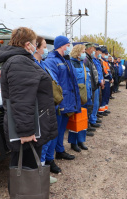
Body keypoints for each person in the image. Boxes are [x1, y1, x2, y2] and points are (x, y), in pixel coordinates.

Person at [0, 27, 58, 191]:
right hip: (28, 130)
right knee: (25, 171)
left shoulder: (18, 61)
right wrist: (25, 132)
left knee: (23, 169)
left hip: (30, 126)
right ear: (27, 44)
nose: (37, 47)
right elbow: (22, 100)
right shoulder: (19, 62)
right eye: (35, 43)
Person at [44, 35, 81, 163]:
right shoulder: (51, 60)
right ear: (61, 45)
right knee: (55, 132)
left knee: (61, 130)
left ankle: (59, 151)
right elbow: (55, 83)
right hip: (60, 102)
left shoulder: (65, 59)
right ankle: (50, 158)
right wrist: (60, 101)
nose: (68, 47)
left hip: (68, 101)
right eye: (67, 45)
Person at [33, 36, 59, 182]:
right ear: (36, 47)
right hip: (40, 108)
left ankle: (42, 171)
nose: (46, 50)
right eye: (43, 47)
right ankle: (40, 175)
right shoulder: (32, 64)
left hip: (47, 106)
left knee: (47, 139)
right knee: (41, 141)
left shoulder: (42, 63)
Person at [68, 44, 91, 152]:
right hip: (76, 96)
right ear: (78, 52)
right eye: (83, 51)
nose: (84, 53)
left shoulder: (82, 63)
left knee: (82, 119)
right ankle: (73, 142)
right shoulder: (72, 63)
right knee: (75, 120)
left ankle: (81, 140)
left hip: (84, 95)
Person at [84, 42, 102, 133]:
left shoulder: (90, 59)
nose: (95, 52)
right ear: (90, 49)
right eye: (94, 50)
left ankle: (88, 124)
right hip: (89, 88)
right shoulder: (86, 60)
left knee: (91, 106)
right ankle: (86, 126)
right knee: (88, 107)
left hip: (92, 87)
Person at [99, 47, 113, 115]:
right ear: (102, 53)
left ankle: (105, 108)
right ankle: (101, 110)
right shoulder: (102, 61)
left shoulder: (105, 61)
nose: (107, 55)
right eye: (106, 54)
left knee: (107, 95)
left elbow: (109, 71)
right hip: (105, 80)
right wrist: (110, 78)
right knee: (104, 96)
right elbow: (105, 72)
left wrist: (111, 78)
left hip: (108, 80)